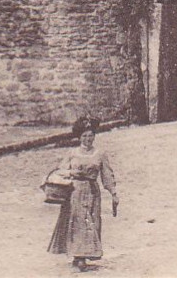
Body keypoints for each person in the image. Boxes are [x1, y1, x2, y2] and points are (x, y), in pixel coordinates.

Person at [44, 115, 120, 271]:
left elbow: (107, 175)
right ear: (79, 137)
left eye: (91, 135)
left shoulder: (100, 154)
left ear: (94, 136)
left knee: (90, 222)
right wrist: (72, 173)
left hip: (92, 192)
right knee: (77, 222)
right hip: (75, 192)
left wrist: (113, 192)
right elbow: (61, 171)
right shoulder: (72, 153)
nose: (88, 139)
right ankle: (78, 257)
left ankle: (83, 255)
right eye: (84, 136)